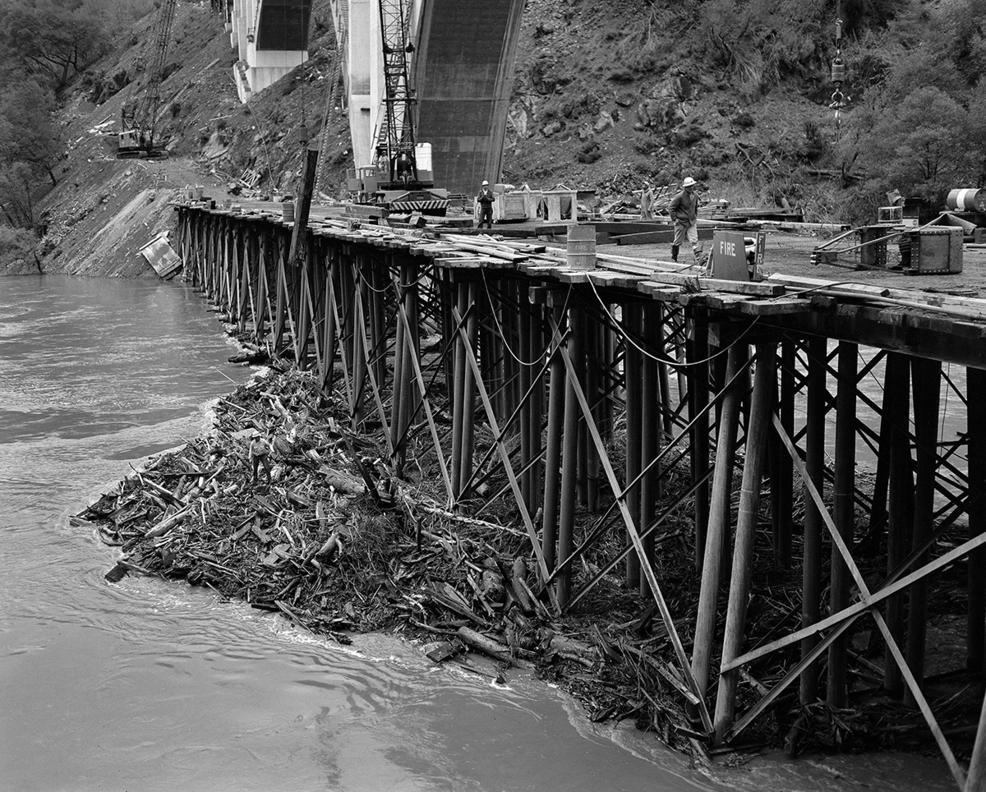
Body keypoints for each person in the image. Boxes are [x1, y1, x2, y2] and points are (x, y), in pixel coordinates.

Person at [668, 176, 701, 263]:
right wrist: (674, 219)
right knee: (677, 241)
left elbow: (695, 207)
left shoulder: (695, 196)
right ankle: (674, 257)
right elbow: (671, 208)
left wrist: (695, 216)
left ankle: (699, 258)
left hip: (691, 221)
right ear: (685, 187)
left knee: (694, 240)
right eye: (689, 186)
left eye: (692, 186)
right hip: (681, 222)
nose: (691, 188)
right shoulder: (679, 197)